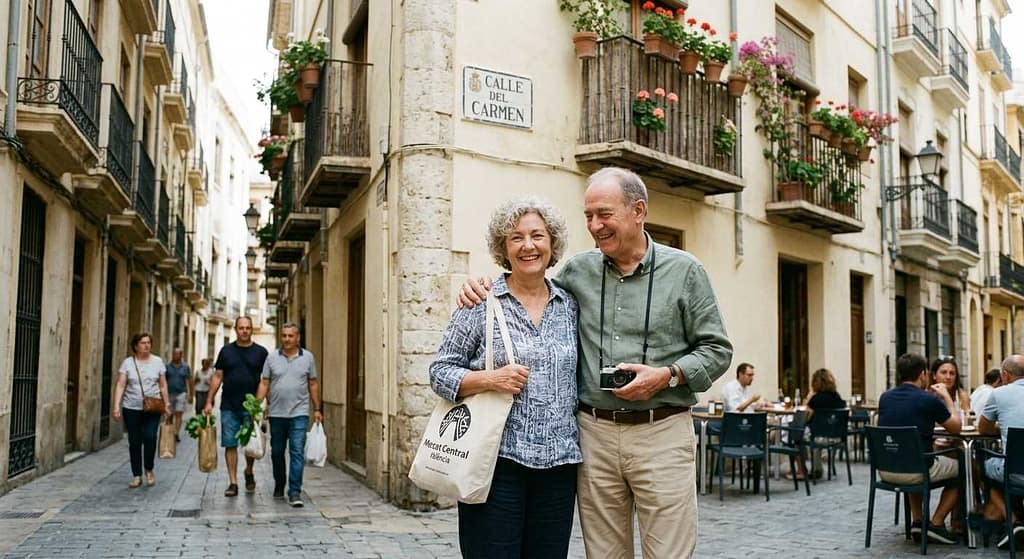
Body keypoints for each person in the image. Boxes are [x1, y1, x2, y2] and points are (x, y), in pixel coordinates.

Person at [459, 168, 733, 557]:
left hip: (662, 432)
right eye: (588, 216)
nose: (594, 225)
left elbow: (717, 350)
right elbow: (527, 282)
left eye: (604, 214)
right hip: (594, 437)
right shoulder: (576, 272)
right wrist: (480, 284)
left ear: (638, 210)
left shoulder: (686, 271)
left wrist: (668, 375)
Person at [432, 197, 580, 558]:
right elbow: (440, 372)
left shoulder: (570, 304)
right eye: (516, 238)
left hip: (559, 468)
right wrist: (489, 379)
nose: (528, 246)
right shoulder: (481, 302)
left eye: (537, 236)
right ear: (503, 247)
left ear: (552, 243)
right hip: (494, 465)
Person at [878, 353, 962, 545]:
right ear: (923, 375)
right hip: (916, 470)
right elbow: (956, 427)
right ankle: (937, 523)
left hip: (886, 469)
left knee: (913, 458)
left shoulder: (885, 398)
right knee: (963, 467)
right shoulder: (927, 399)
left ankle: (917, 521)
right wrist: (947, 398)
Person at [255, 322, 322, 508]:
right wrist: (255, 406)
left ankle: (294, 491)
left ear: (297, 338)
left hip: (299, 413)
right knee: (276, 452)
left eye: (290, 336)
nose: (286, 339)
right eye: (284, 335)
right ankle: (279, 482)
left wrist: (317, 409)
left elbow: (313, 384)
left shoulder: (308, 358)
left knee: (296, 452)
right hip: (276, 414)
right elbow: (264, 383)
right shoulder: (271, 358)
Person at [204, 316, 269, 497]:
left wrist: (267, 404)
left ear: (252, 330)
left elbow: (266, 381)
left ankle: (249, 470)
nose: (245, 331)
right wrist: (209, 401)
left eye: (248, 328)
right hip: (229, 406)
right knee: (230, 444)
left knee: (251, 444)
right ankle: (233, 483)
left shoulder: (261, 353)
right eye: (241, 328)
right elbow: (218, 377)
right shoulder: (226, 351)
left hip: (251, 407)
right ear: (236, 329)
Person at [112, 332, 171, 488]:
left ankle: (149, 469)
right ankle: (137, 475)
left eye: (148, 343)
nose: (146, 345)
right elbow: (121, 384)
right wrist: (116, 405)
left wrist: (167, 404)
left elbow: (163, 385)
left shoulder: (157, 362)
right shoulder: (127, 363)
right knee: (134, 441)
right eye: (143, 343)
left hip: (153, 407)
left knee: (150, 437)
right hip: (131, 408)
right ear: (136, 346)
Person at [977, 355, 1024, 549]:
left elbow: (983, 429)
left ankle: (1013, 521)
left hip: (1015, 471)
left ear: (1005, 374)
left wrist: (1004, 428)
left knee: (981, 466)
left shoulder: (998, 394)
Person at [164, 348, 192, 442]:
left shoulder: (185, 367)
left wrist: (191, 394)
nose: (175, 356)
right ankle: (169, 431)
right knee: (169, 414)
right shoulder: (167, 366)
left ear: (181, 355)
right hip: (169, 393)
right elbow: (163, 381)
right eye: (174, 354)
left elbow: (190, 381)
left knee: (179, 414)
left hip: (181, 393)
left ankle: (176, 433)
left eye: (177, 354)